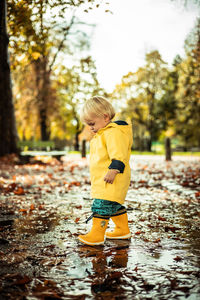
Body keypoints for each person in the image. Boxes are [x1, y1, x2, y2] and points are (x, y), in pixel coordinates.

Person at [78, 96, 133, 246]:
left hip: (112, 178)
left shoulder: (113, 132)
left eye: (92, 123)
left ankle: (97, 235)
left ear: (105, 117)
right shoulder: (103, 133)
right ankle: (122, 230)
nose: (90, 128)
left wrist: (114, 169)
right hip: (106, 179)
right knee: (113, 205)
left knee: (102, 205)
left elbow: (119, 152)